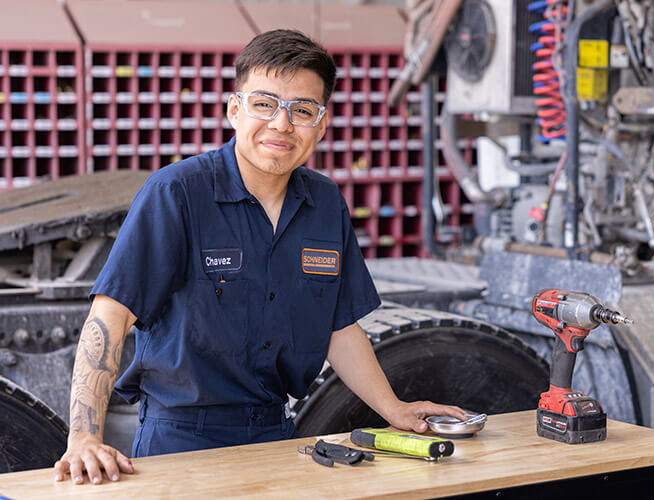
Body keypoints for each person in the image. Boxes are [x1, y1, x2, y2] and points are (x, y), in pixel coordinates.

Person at [53, 29, 465, 485]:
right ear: (235, 109)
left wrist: (395, 409)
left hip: (277, 432)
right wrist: (83, 437)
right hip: (181, 438)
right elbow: (109, 317)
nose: (282, 124)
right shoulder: (178, 193)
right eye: (264, 104)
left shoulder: (325, 203)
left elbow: (340, 329)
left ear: (321, 125)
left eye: (302, 110)